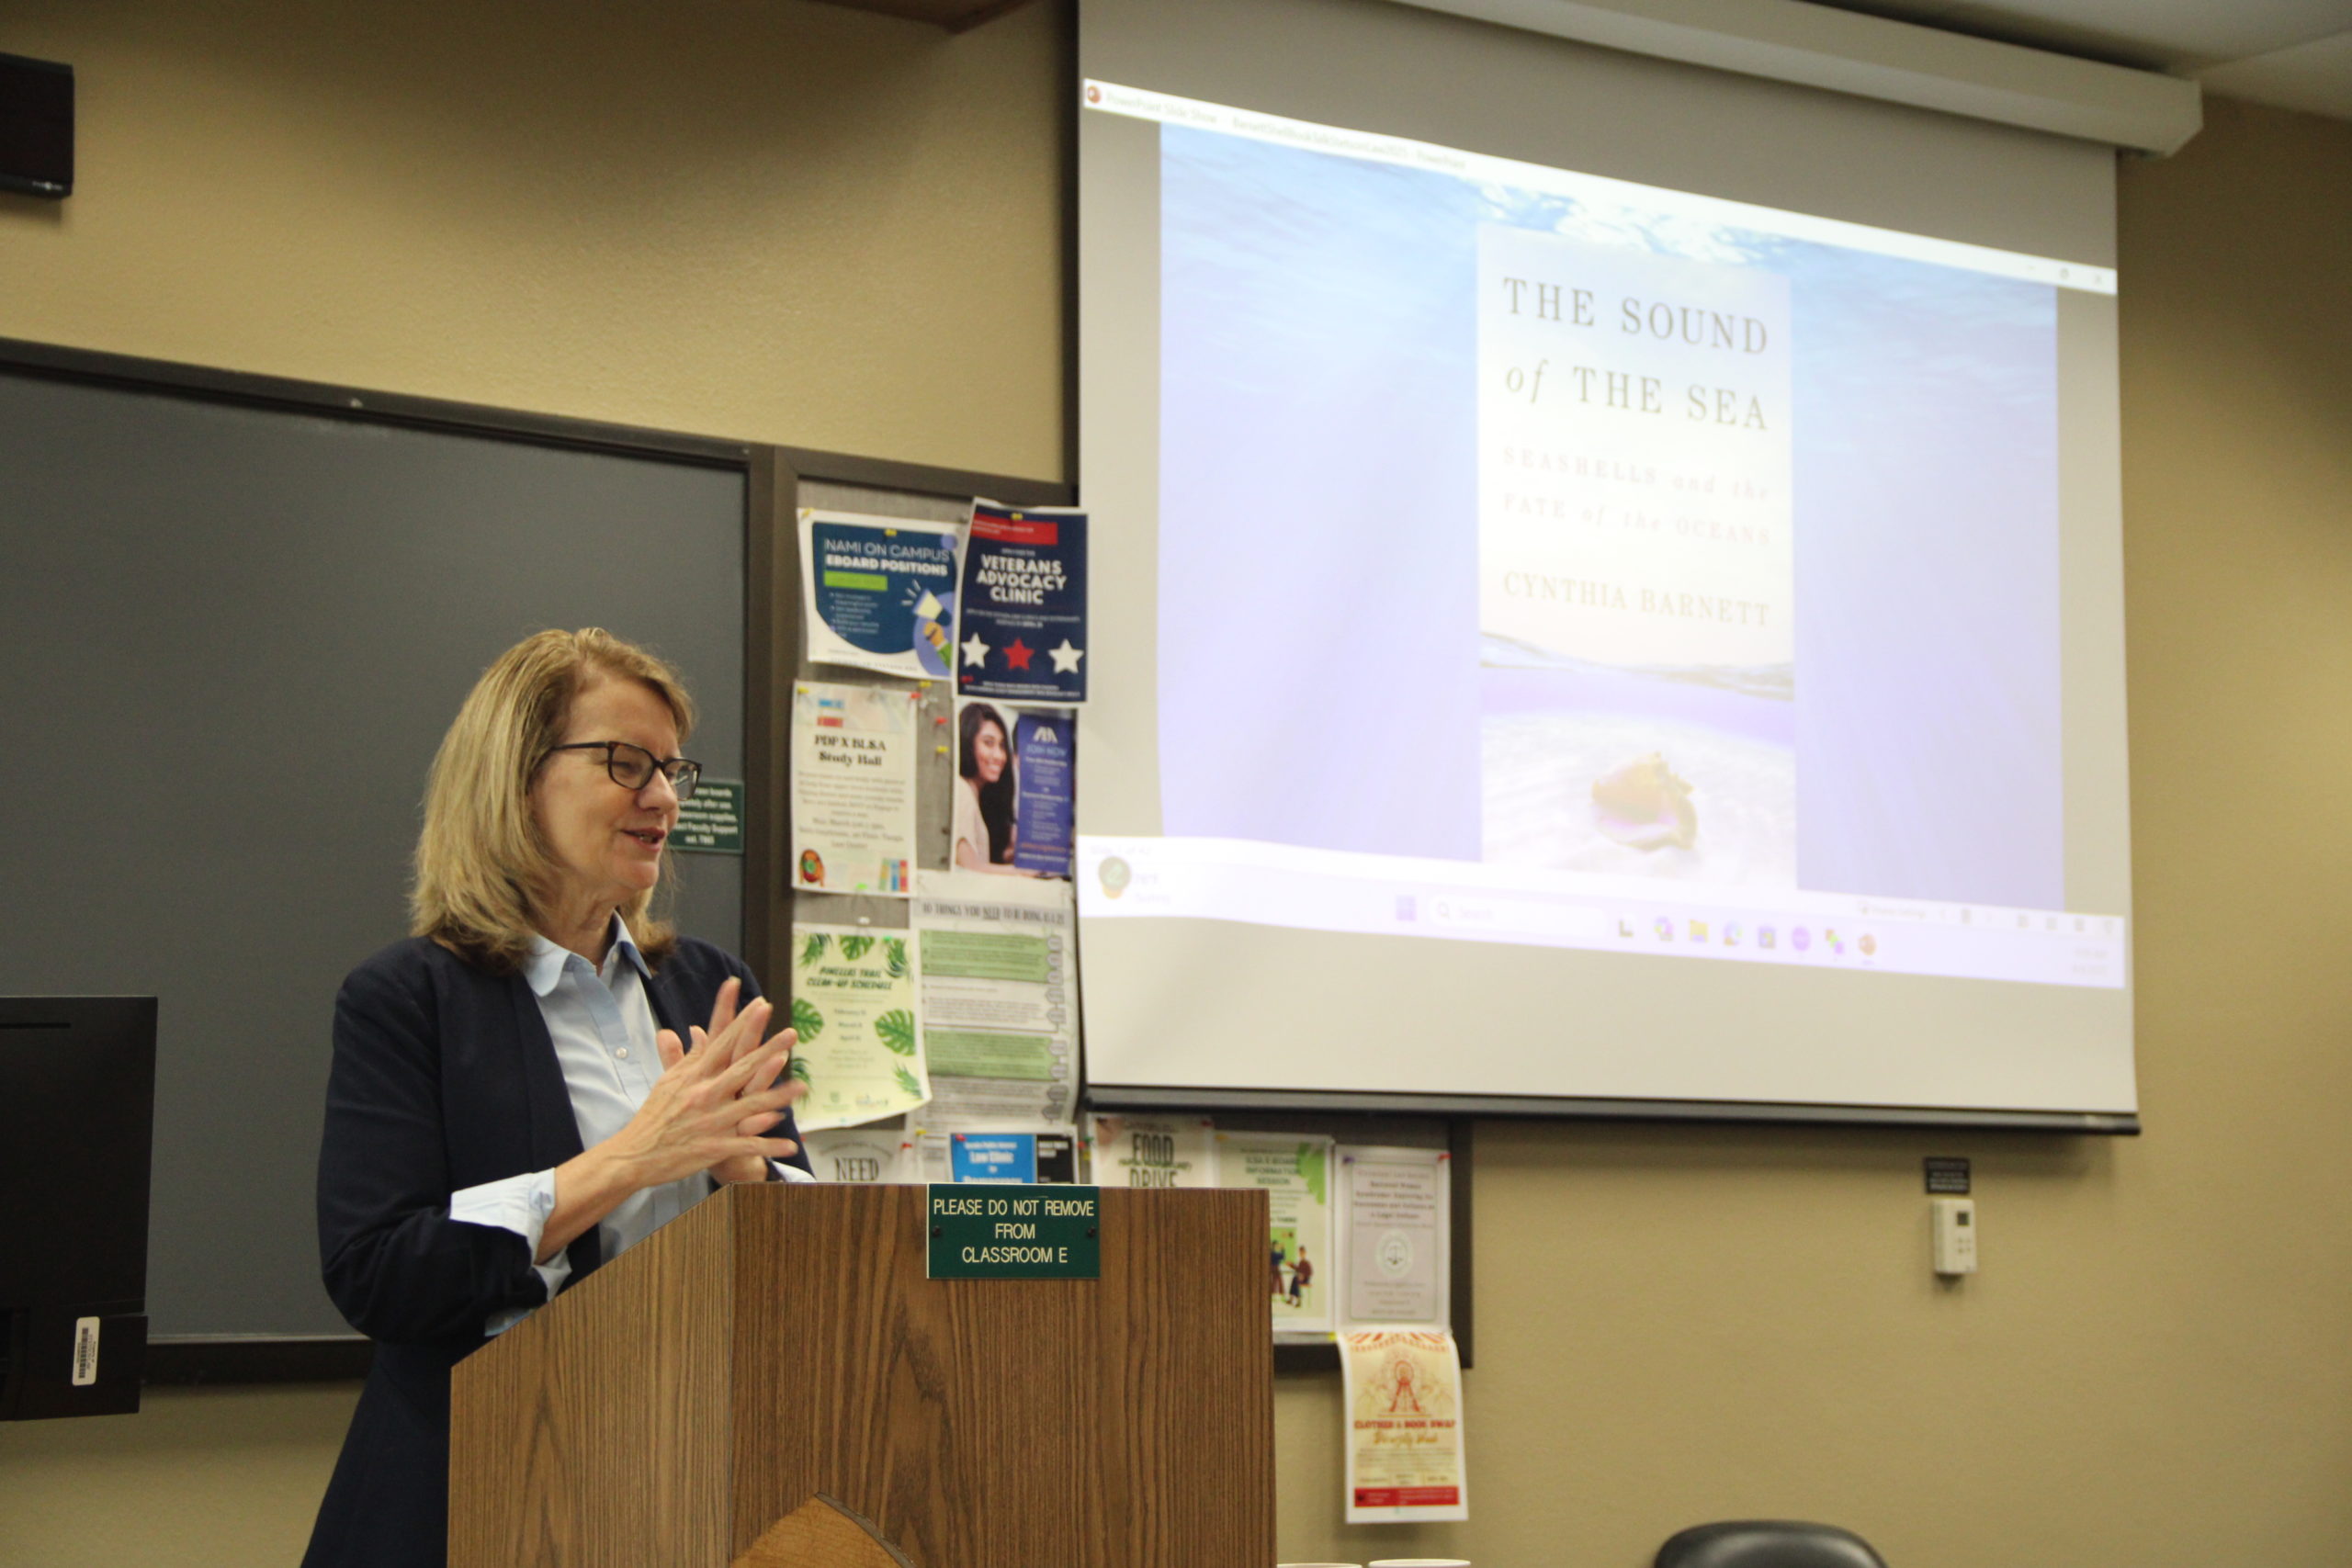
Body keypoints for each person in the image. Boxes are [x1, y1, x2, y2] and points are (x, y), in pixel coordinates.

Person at [302, 628, 811, 1568]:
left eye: (670, 769)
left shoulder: (709, 985)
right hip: (482, 1492)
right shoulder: (409, 999)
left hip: (696, 1480)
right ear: (516, 776)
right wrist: (628, 1160)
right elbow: (379, 1270)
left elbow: (807, 1275)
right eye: (626, 762)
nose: (661, 797)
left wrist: (753, 1185)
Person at [952, 701, 1035, 874]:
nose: (999, 756)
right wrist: (1024, 872)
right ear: (967, 742)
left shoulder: (978, 799)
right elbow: (969, 868)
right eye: (988, 743)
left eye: (1002, 746)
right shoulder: (961, 790)